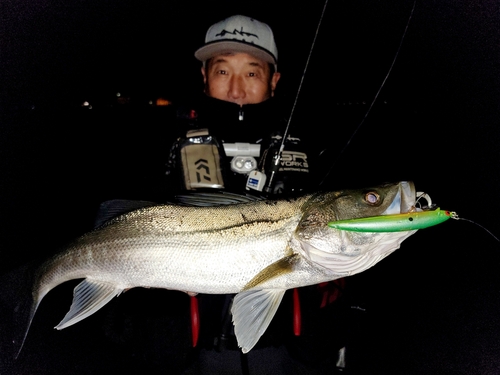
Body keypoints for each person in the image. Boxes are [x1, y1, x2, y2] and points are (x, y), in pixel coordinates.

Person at [103, 14, 354, 375]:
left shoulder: (315, 149)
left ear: (274, 80)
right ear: (204, 76)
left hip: (292, 350)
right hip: (190, 350)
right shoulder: (163, 148)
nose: (236, 88)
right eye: (223, 71)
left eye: (252, 72)